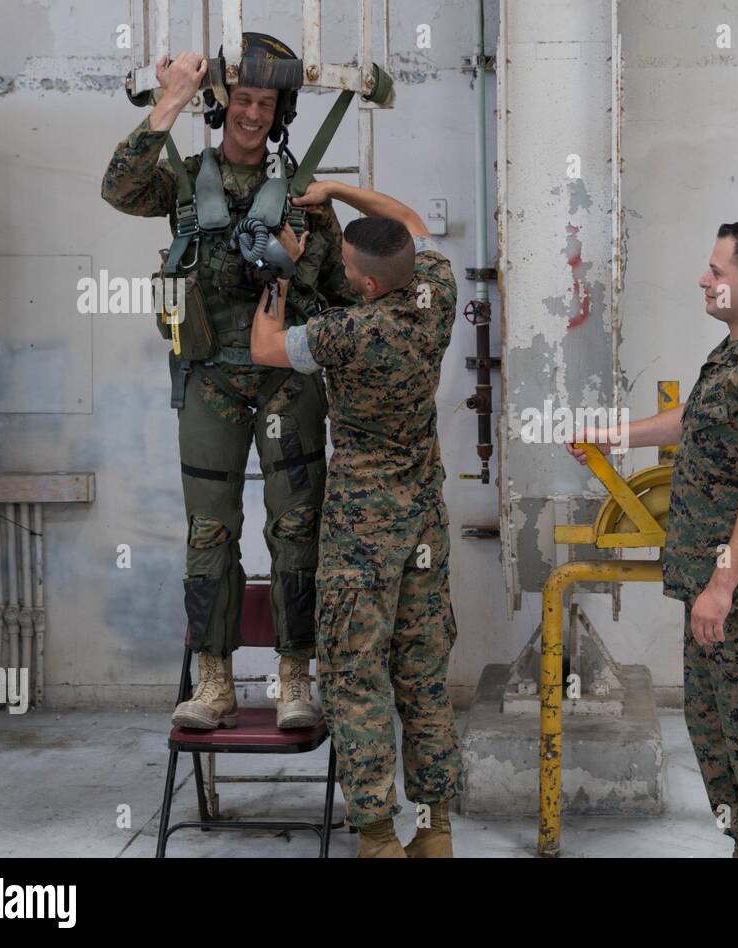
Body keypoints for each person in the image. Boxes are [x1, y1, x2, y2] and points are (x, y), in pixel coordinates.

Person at [102, 35, 356, 730]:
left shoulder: (305, 197)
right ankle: (214, 683)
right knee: (209, 532)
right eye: (241, 99)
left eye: (264, 102)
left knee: (297, 528)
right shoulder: (183, 182)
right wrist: (170, 101)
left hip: (288, 384)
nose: (250, 113)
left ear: (279, 113)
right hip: (209, 381)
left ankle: (295, 681)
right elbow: (118, 187)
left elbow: (343, 293)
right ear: (222, 104)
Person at [567, 221, 738, 857]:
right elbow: (696, 420)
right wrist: (616, 434)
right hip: (718, 600)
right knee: (721, 748)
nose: (703, 280)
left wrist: (722, 585)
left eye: (715, 271)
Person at [250, 182, 460, 858]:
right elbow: (409, 221)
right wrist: (337, 188)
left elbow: (265, 347)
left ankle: (376, 835)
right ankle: (436, 831)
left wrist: (279, 275)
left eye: (345, 266)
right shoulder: (436, 293)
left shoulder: (346, 333)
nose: (339, 269)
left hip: (362, 529)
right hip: (424, 519)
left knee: (354, 673)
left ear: (365, 288)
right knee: (422, 673)